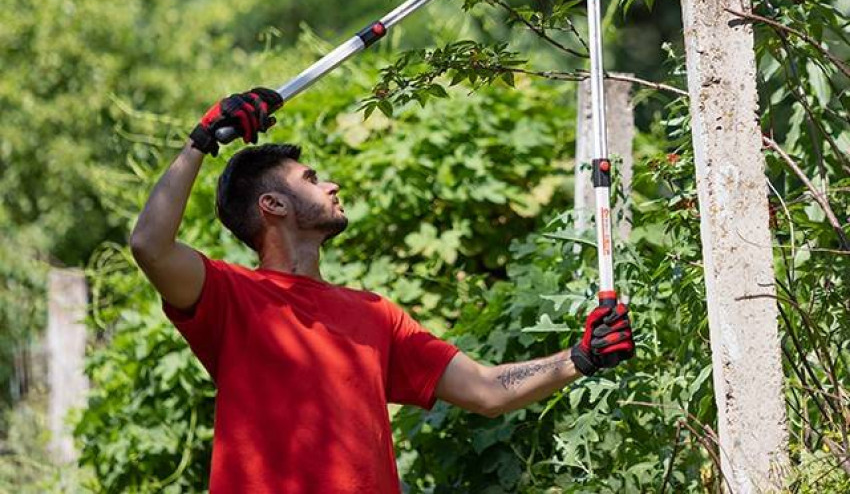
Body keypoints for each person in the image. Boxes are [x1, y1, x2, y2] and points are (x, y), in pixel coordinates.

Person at [130, 88, 635, 494]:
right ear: (273, 205)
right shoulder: (229, 296)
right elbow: (150, 245)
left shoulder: (375, 314)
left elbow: (485, 391)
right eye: (310, 179)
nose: (330, 186)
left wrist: (581, 357)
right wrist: (202, 139)